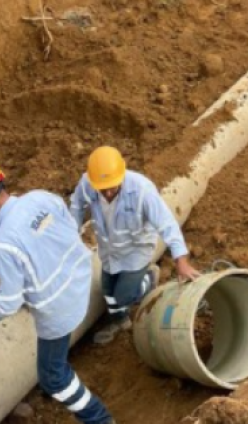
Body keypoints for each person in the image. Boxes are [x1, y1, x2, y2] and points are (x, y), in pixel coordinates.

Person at [0, 159, 118, 424]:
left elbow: (6, 304)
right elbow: (71, 227)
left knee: (52, 377)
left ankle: (100, 422)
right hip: (83, 278)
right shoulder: (40, 197)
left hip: (60, 310)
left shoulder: (1, 245)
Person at [70, 146, 200, 344]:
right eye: (102, 189)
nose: (107, 192)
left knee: (123, 295)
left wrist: (181, 261)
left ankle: (148, 278)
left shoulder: (142, 191)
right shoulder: (88, 183)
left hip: (136, 250)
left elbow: (167, 224)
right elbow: (77, 205)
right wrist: (71, 234)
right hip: (109, 250)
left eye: (112, 186)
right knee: (107, 291)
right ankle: (121, 321)